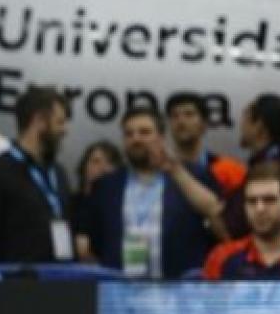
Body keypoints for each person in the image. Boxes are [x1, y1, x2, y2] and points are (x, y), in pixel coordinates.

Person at [76, 107, 224, 278]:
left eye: (144, 132)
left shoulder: (193, 176)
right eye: (128, 134)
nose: (136, 139)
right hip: (120, 290)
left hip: (178, 289)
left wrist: (175, 170)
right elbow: (96, 243)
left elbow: (217, 219)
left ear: (161, 138)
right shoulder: (106, 186)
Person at [0, 86, 74, 263]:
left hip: (61, 279)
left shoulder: (59, 173)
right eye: (60, 122)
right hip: (16, 283)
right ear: (39, 121)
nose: (65, 130)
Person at [225, 93, 280, 238]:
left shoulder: (272, 169)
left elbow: (238, 224)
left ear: (259, 126)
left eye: (245, 119)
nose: (241, 126)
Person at [165, 92, 246, 194]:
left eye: (189, 114)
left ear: (204, 124)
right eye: (174, 116)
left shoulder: (230, 171)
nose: (181, 121)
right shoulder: (158, 172)